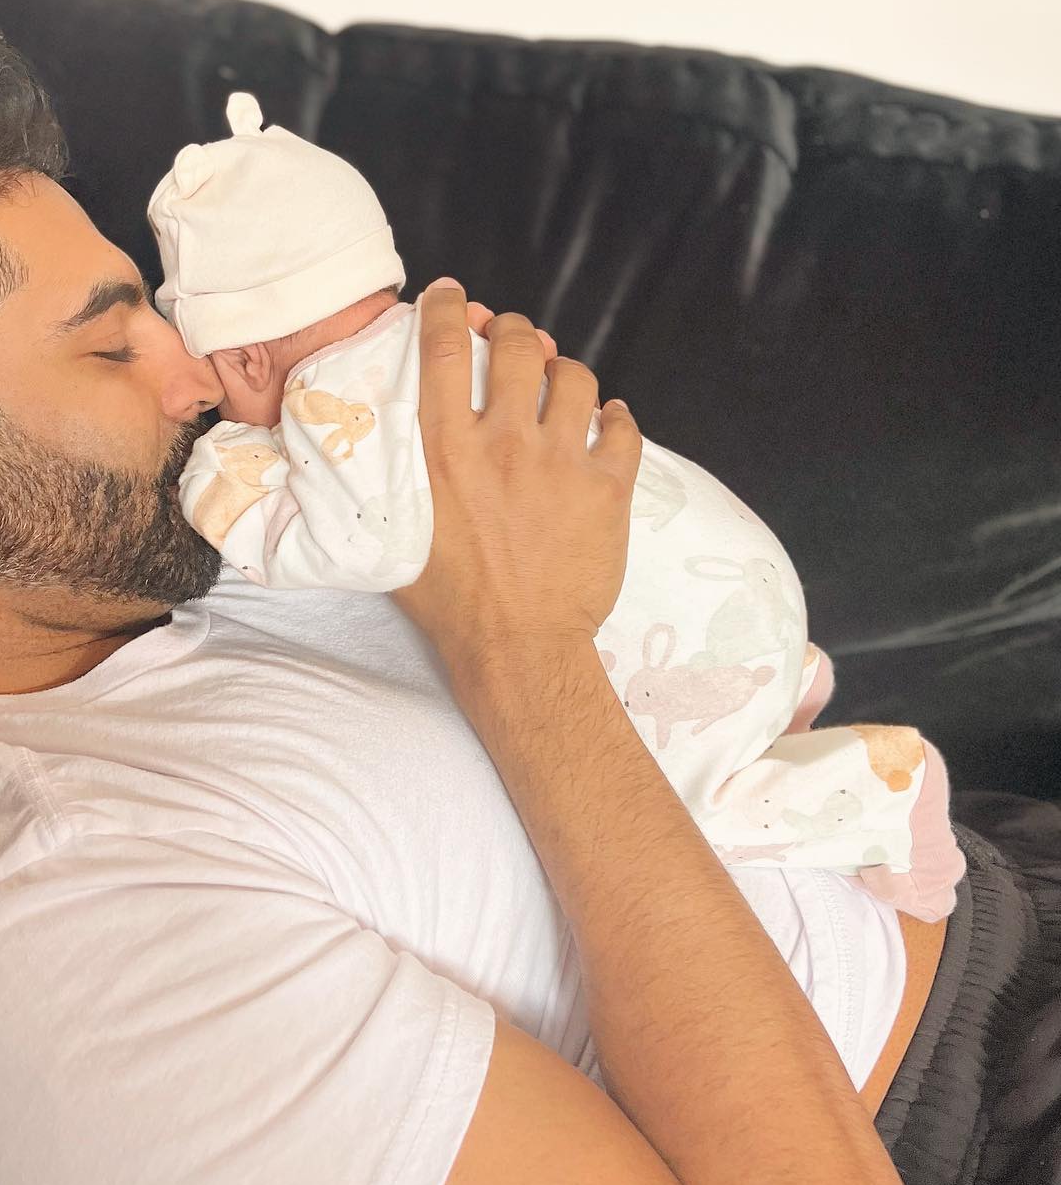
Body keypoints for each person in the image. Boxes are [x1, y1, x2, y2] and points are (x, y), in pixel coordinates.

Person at [0, 24, 971, 1185]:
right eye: (111, 344)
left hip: (969, 867)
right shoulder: (63, 947)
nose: (195, 374)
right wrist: (526, 644)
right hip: (956, 1138)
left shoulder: (172, 567)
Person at [148, 91, 965, 924]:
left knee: (671, 813)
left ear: (247, 359)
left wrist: (220, 472)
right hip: (721, 567)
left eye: (217, 386)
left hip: (693, 624)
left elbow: (362, 544)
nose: (220, 412)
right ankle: (782, 694)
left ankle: (883, 791)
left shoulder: (328, 397)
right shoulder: (438, 343)